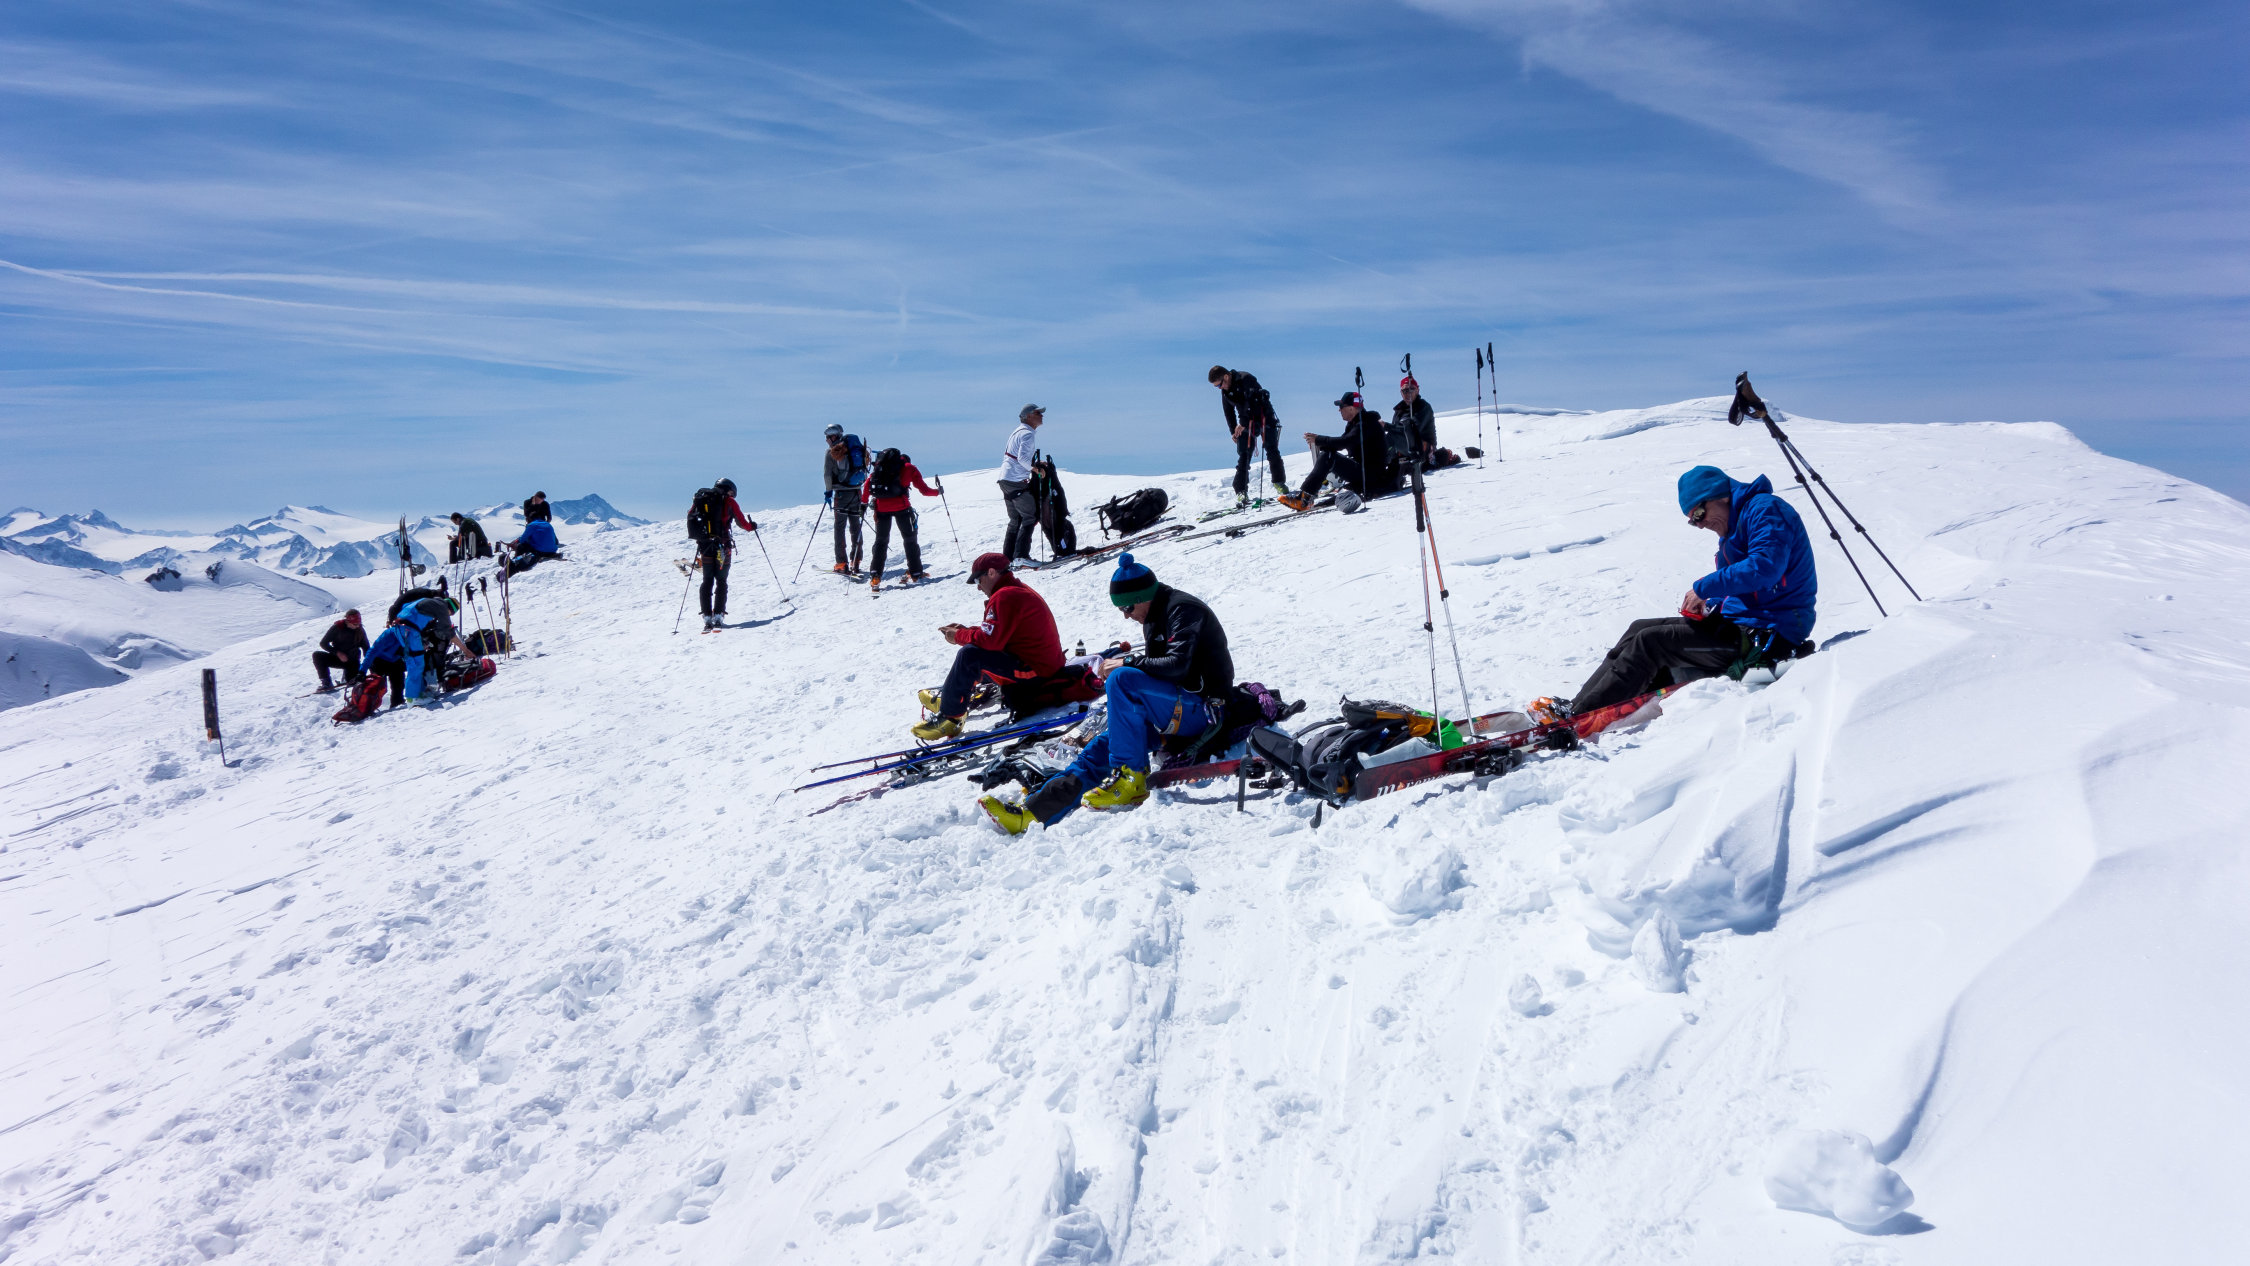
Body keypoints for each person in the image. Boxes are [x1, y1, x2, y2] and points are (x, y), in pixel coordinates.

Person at [1534, 465, 1819, 722]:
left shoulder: (1765, 510)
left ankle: (1579, 717)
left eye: (1698, 514)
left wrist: (1703, 588)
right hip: (1745, 625)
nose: (1699, 524)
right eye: (1693, 521)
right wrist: (1711, 604)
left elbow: (1765, 568)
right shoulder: (1733, 527)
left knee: (1651, 642)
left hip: (1770, 635)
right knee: (1638, 628)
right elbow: (1743, 587)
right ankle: (1579, 705)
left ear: (1720, 496)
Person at [979, 552, 1232, 834]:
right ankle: (1033, 813)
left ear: (1143, 596)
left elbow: (1177, 666)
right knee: (1102, 746)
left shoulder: (1183, 610)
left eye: (1127, 607)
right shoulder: (1154, 614)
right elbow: (1157, 674)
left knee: (1122, 678)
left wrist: (1127, 662)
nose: (1126, 615)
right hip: (1173, 712)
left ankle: (1131, 780)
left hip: (1205, 712)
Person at [913, 553, 1066, 740]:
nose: (978, 587)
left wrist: (958, 636)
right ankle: (951, 698)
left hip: (1037, 672)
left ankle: (950, 717)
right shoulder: (1013, 590)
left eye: (979, 580)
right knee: (976, 654)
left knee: (969, 655)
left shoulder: (1005, 595)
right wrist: (966, 631)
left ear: (991, 572)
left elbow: (989, 641)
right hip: (1042, 665)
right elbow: (996, 633)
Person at [1281, 391, 1391, 511]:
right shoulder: (1356, 423)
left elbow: (1345, 442)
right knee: (1327, 455)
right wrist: (1319, 444)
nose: (1339, 410)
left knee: (1328, 456)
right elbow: (1340, 444)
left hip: (1370, 475)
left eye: (1341, 406)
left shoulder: (1367, 423)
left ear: (1351, 408)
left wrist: (1318, 440)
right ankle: (1305, 497)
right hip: (1364, 472)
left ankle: (1304, 499)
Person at [863, 447, 942, 590]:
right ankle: (916, 573)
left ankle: (875, 575)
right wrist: (938, 492)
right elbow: (924, 490)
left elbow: (868, 485)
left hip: (881, 509)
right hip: (902, 508)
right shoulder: (909, 468)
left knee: (881, 541)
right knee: (910, 540)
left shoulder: (880, 467)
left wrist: (863, 503)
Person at [1209, 365, 1287, 504]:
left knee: (1272, 450)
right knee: (1244, 454)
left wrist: (1243, 423)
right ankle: (1240, 490)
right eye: (1217, 387)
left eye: (1220, 384)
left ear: (1226, 376)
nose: (1220, 388)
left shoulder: (1246, 378)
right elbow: (1228, 412)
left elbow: (1252, 403)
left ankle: (1279, 483)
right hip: (1245, 422)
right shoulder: (1225, 391)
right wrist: (1233, 431)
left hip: (1264, 416)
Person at [688, 478, 758, 630]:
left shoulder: (703, 499)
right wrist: (751, 527)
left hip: (705, 546)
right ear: (728, 489)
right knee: (721, 580)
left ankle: (707, 616)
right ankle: (718, 614)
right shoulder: (730, 502)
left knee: (707, 580)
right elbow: (742, 522)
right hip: (723, 547)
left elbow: (692, 516)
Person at [394, 594, 470, 705]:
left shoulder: (427, 600)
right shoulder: (442, 607)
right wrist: (466, 651)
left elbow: (405, 606)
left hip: (400, 628)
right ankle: (414, 697)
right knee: (417, 663)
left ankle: (415, 696)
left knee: (413, 662)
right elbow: (449, 633)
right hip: (410, 631)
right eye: (452, 613)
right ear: (450, 609)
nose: (450, 615)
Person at [999, 404, 1043, 564]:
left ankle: (1007, 559)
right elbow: (1022, 459)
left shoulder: (1017, 431)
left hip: (1005, 478)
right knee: (1030, 516)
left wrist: (1035, 464)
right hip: (1015, 480)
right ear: (1029, 416)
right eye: (1038, 413)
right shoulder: (1027, 434)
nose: (1041, 415)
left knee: (1015, 520)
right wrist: (1036, 469)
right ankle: (1021, 557)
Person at [823, 424, 869, 575]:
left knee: (839, 528)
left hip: (841, 494)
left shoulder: (832, 452)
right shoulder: (854, 449)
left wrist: (828, 492)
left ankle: (841, 563)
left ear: (833, 436)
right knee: (855, 527)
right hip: (857, 492)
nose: (826, 440)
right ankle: (856, 560)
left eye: (827, 437)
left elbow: (827, 475)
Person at [359, 620, 414, 709]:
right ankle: (367, 706)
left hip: (395, 661)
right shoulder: (388, 635)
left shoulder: (410, 634)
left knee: (399, 684)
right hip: (379, 661)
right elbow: (372, 651)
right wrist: (362, 671)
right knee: (377, 686)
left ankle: (397, 703)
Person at [313, 609, 367, 692]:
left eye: (358, 624)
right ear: (348, 621)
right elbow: (323, 643)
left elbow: (366, 649)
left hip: (352, 662)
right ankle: (326, 683)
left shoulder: (360, 631)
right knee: (317, 655)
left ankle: (347, 676)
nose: (357, 626)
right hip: (338, 659)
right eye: (355, 624)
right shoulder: (337, 628)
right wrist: (337, 653)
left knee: (351, 682)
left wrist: (369, 668)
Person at [1392, 375, 1437, 470]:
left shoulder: (1424, 407)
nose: (1409, 393)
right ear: (1401, 393)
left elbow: (1415, 429)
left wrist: (1388, 427)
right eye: (1405, 390)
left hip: (1422, 450)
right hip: (1403, 451)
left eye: (1412, 389)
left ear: (1417, 390)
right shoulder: (1399, 411)